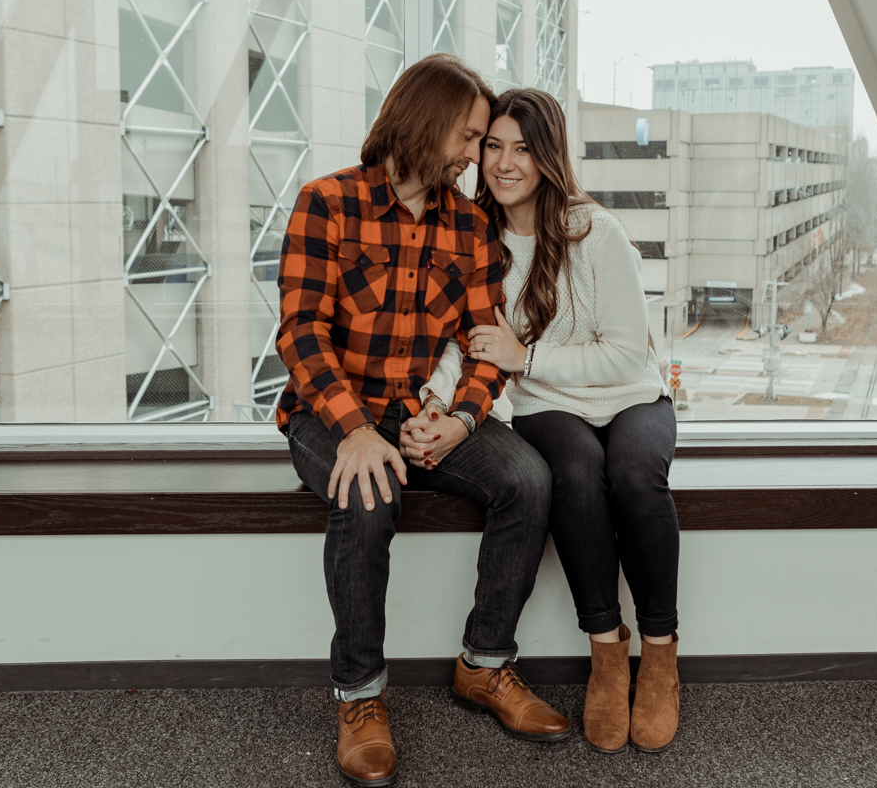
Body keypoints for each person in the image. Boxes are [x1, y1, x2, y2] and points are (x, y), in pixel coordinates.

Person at [276, 55, 570, 788]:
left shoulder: (469, 227)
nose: (476, 156)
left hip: (418, 413)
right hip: (326, 412)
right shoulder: (326, 203)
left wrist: (462, 420)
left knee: (529, 478)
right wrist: (354, 427)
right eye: (470, 137)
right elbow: (300, 335)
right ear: (425, 119)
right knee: (370, 490)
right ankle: (359, 694)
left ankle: (486, 664)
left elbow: (484, 342)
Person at [410, 87, 681, 754]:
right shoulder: (474, 237)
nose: (503, 163)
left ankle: (661, 653)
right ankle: (608, 654)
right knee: (576, 475)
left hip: (630, 395)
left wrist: (527, 355)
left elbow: (624, 354)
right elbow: (458, 343)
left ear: (548, 156)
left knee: (636, 476)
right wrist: (437, 402)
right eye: (492, 146)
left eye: (522, 149)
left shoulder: (595, 231)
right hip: (547, 407)